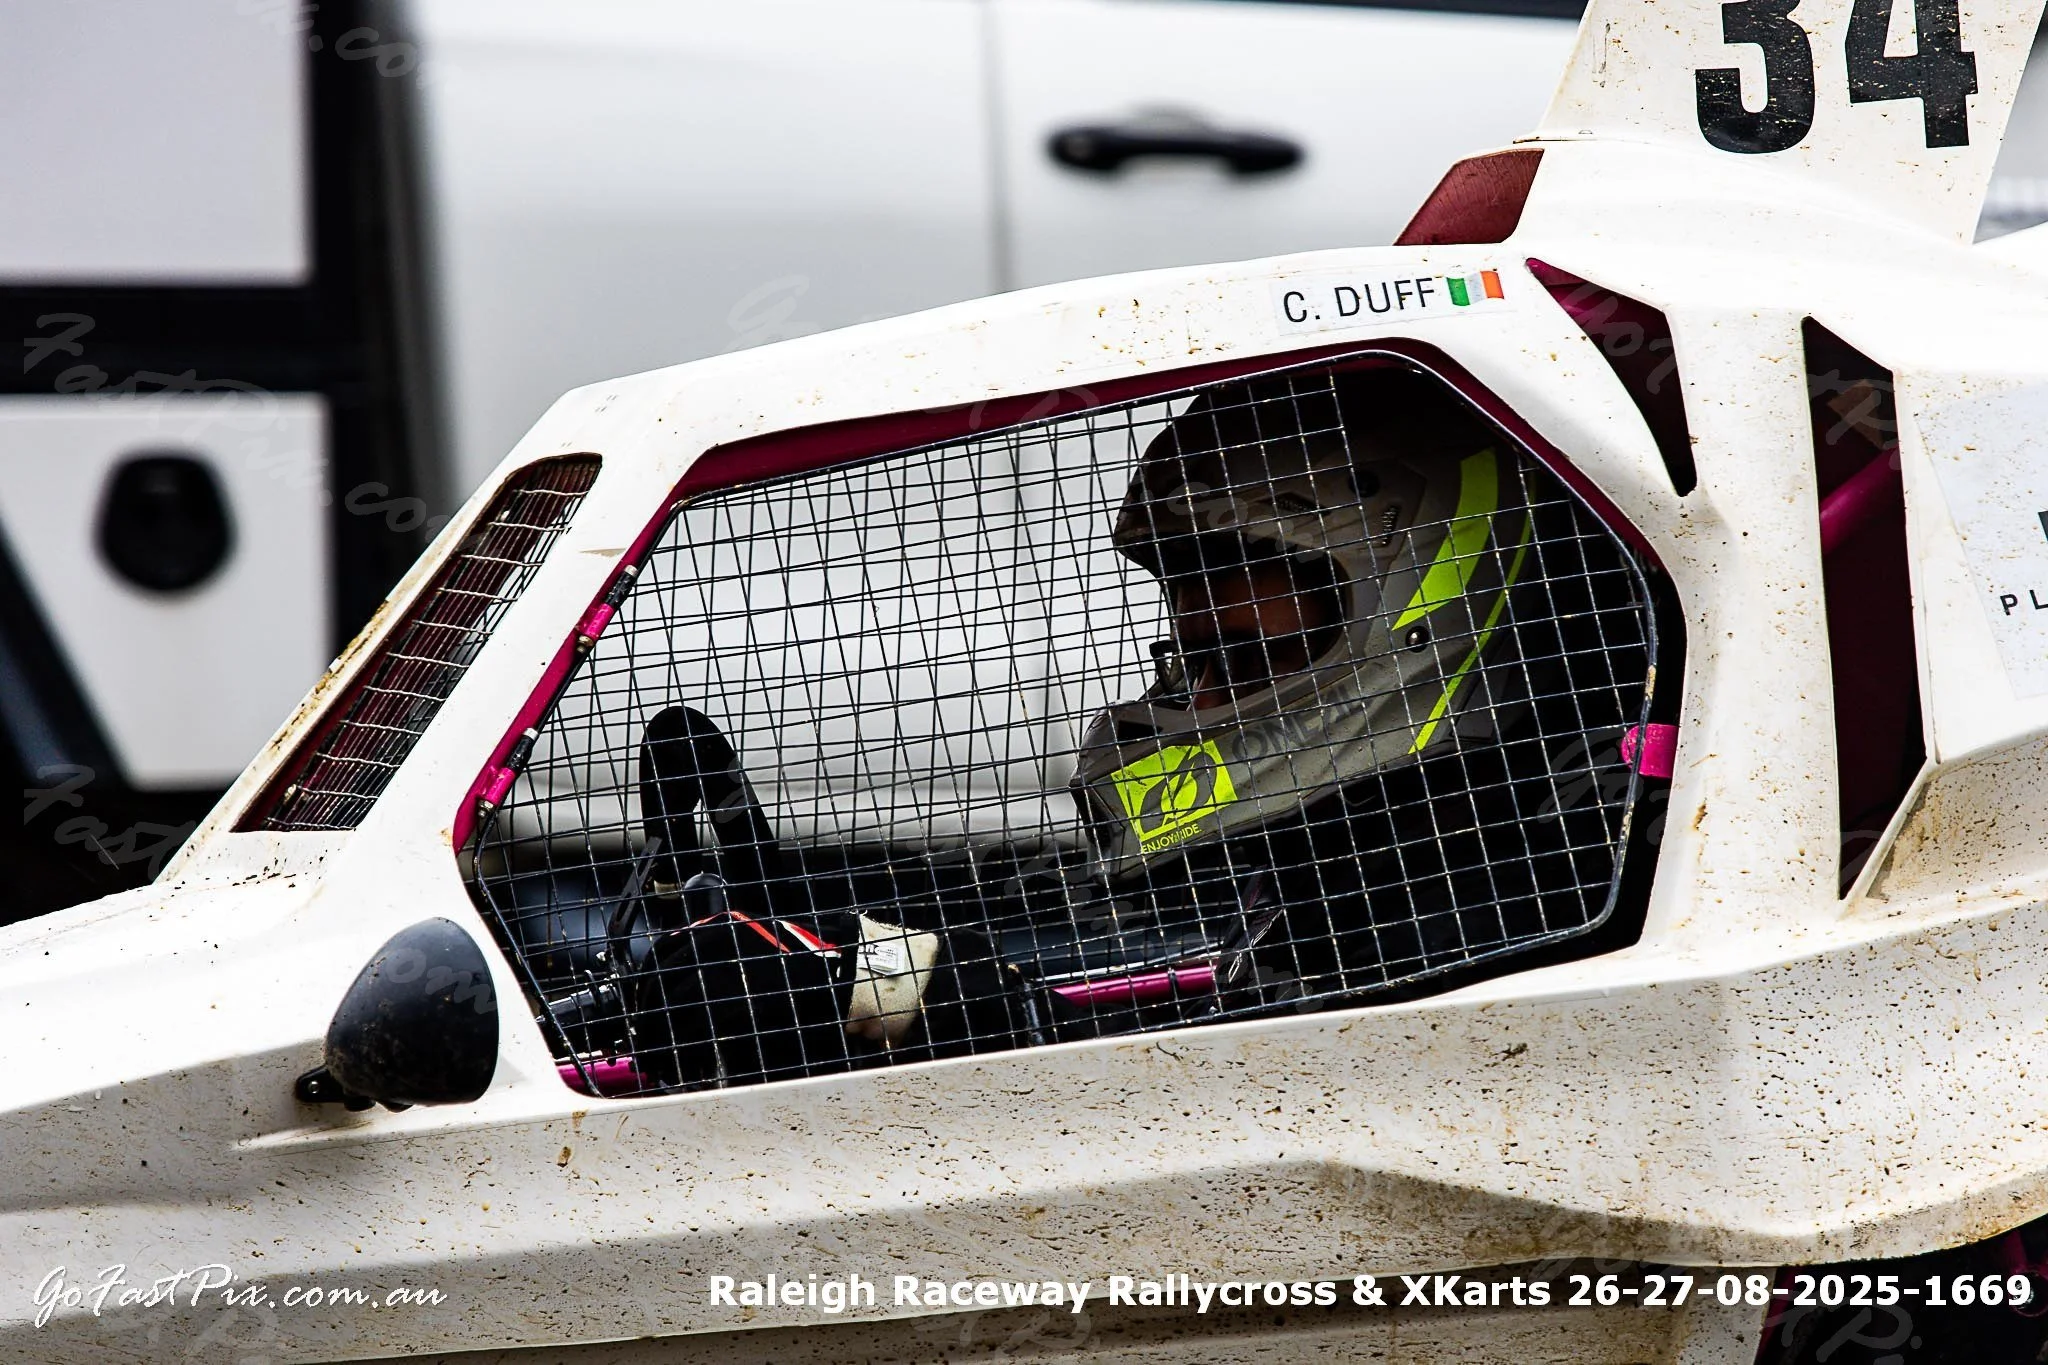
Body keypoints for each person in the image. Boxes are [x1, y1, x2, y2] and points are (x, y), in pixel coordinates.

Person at [607, 367, 1649, 1088]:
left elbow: (1290, 1129)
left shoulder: (1553, 860)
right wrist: (880, 978)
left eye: (1237, 568)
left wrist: (956, 1006)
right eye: (1180, 581)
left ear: (1413, 576)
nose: (1191, 623)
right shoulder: (1373, 831)